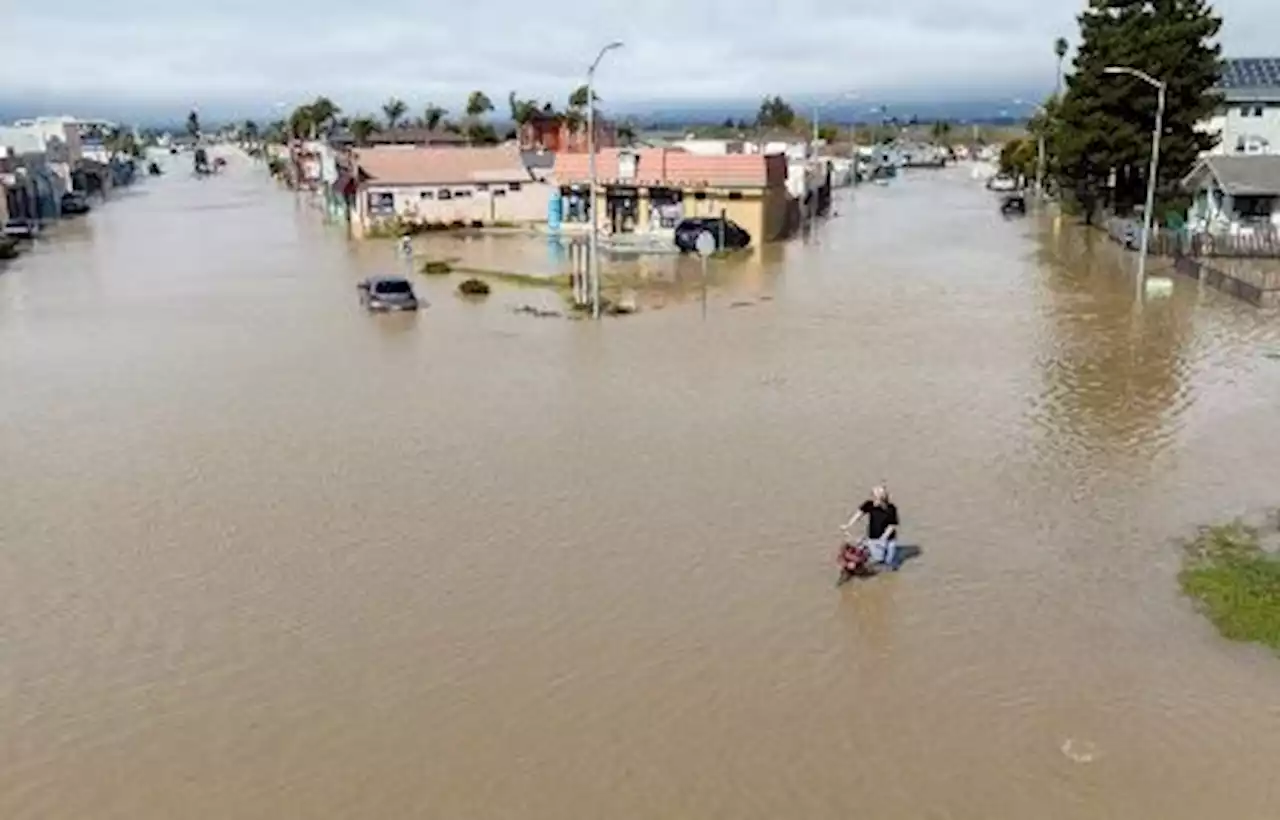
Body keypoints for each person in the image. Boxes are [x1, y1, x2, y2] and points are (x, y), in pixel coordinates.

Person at [841, 485, 900, 570]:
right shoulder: (869, 504)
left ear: (882, 499)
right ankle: (860, 564)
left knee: (889, 562)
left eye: (875, 498)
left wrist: (883, 538)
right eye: (873, 497)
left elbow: (892, 526)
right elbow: (858, 514)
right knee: (878, 559)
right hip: (874, 537)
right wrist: (848, 525)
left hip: (889, 539)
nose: (874, 500)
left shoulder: (891, 509)